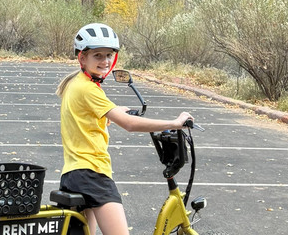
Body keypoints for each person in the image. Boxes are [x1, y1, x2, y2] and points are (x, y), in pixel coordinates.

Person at [56, 23, 193, 235]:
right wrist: (174, 123)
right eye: (98, 55)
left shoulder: (75, 83)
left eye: (109, 55)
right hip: (92, 174)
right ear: (82, 58)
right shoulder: (89, 88)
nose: (105, 61)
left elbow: (83, 118)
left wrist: (112, 113)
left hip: (73, 175)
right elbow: (129, 124)